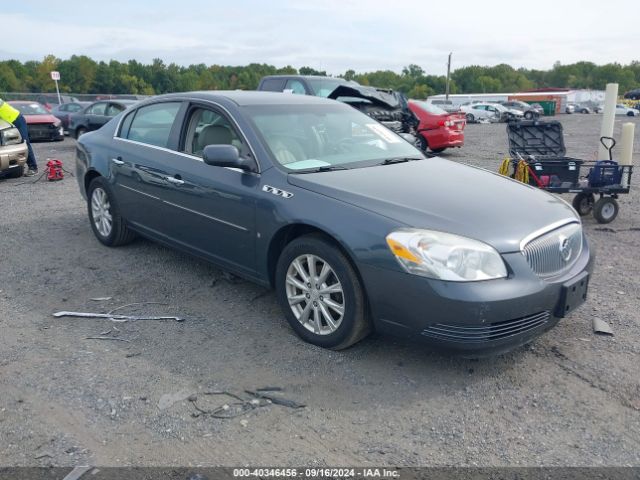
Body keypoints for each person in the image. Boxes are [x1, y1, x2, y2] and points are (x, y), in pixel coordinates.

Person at [0, 98, 38, 176]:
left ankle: (33, 168)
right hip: (10, 123)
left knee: (24, 142)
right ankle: (18, 166)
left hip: (17, 120)